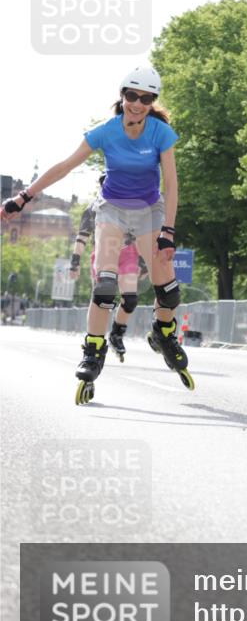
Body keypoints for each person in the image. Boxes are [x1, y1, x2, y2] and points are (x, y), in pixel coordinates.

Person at [1, 65, 193, 403]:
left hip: (150, 210)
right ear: (122, 96)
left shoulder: (160, 133)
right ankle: (92, 350)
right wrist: (23, 197)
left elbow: (172, 184)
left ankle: (163, 334)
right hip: (112, 210)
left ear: (152, 102)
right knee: (105, 284)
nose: (137, 103)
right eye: (131, 95)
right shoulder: (105, 131)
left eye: (145, 98)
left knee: (169, 290)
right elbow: (65, 165)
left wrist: (169, 230)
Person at [69, 175, 150, 361]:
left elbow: (140, 235)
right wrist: (75, 262)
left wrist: (144, 263)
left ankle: (116, 333)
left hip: (127, 253)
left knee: (130, 300)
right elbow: (82, 238)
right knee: (100, 298)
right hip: (103, 253)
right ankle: (93, 341)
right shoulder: (92, 209)